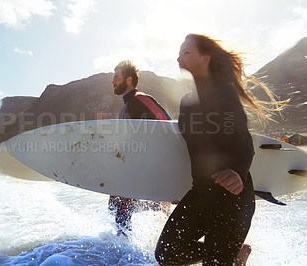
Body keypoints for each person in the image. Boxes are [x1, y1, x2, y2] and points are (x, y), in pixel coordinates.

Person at [154, 34, 283, 265]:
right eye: (179, 52)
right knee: (166, 254)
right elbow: (194, 149)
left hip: (231, 197)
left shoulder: (223, 94)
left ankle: (228, 256)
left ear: (205, 58)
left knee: (215, 263)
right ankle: (234, 255)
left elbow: (243, 140)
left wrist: (238, 171)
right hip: (200, 193)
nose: (178, 57)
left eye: (186, 52)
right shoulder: (186, 101)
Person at [109, 60, 171, 236]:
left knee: (122, 211)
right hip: (129, 167)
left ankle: (126, 255)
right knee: (114, 208)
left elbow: (168, 124)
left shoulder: (140, 99)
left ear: (128, 80)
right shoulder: (125, 108)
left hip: (144, 165)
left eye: (116, 78)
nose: (113, 81)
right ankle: (158, 205)